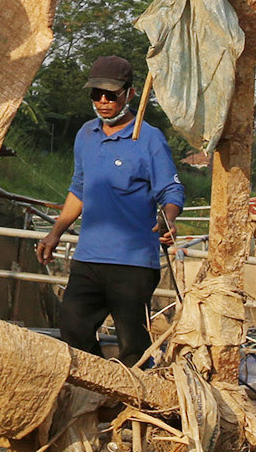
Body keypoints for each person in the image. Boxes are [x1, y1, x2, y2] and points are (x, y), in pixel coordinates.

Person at [33, 55, 183, 367]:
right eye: (96, 94)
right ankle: (104, 388)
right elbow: (79, 189)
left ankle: (140, 406)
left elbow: (171, 189)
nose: (103, 101)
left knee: (133, 345)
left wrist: (168, 218)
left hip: (133, 263)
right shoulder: (86, 135)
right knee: (73, 327)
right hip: (89, 258)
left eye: (111, 94)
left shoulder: (149, 138)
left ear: (130, 93)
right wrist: (54, 233)